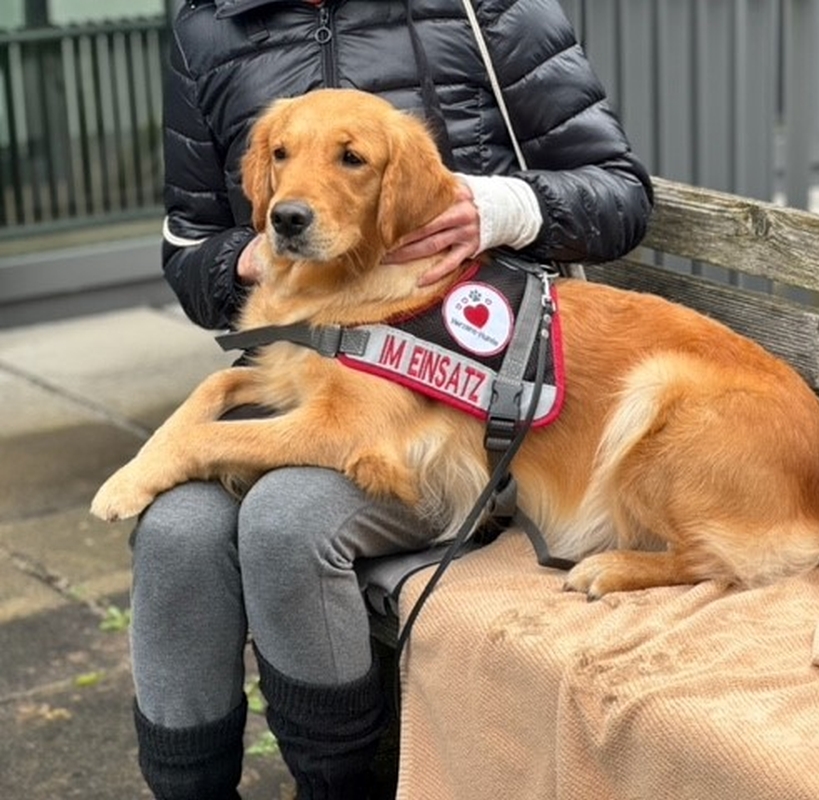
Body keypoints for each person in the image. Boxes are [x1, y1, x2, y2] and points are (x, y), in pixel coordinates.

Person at [134, 0, 653, 798]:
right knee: (175, 531)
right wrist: (253, 253)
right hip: (307, 361)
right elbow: (191, 247)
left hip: (459, 401)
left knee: (285, 522)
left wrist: (500, 208)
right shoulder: (211, 27)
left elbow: (618, 194)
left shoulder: (489, 9)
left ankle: (337, 787)